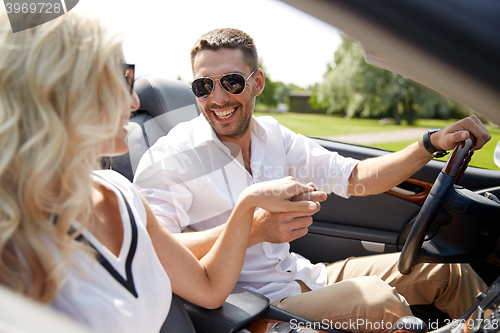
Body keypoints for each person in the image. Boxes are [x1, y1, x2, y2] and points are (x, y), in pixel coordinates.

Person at [134, 28, 491, 332]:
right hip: (254, 307)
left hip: (307, 277)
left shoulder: (273, 136)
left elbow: (356, 177)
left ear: (256, 82)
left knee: (447, 272)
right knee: (380, 302)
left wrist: (431, 143)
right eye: (203, 86)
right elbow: (153, 251)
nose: (219, 98)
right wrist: (252, 230)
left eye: (231, 81)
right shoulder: (171, 157)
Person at [0, 14, 325, 333]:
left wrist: (248, 205)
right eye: (123, 78)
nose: (134, 101)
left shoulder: (122, 195)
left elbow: (210, 290)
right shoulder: (12, 244)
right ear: (55, 92)